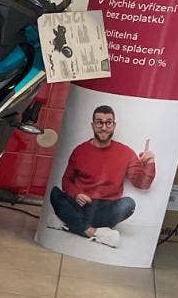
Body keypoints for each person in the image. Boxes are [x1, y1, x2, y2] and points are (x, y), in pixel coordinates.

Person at [49, 104, 156, 247]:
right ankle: (94, 232)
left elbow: (142, 184)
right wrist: (76, 194)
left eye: (108, 123)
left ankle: (70, 223)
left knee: (128, 204)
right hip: (79, 204)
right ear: (93, 125)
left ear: (114, 125)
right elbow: (66, 180)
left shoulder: (126, 153)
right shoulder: (80, 150)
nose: (104, 127)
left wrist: (150, 162)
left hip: (105, 209)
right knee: (55, 193)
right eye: (99, 122)